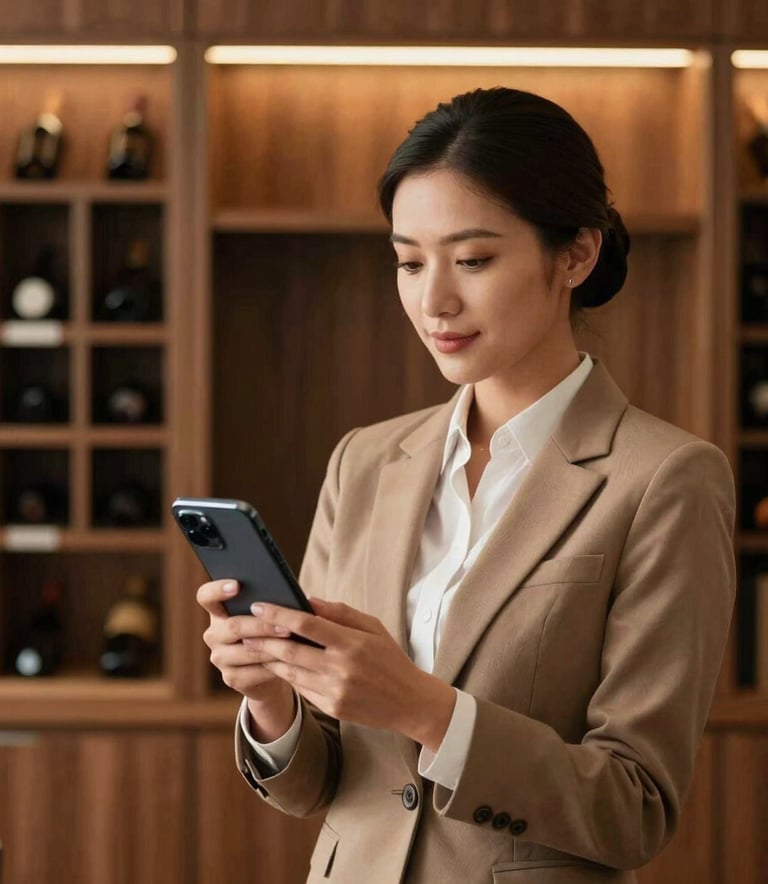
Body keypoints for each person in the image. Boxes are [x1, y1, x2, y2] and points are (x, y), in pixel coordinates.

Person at [197, 87, 736, 883]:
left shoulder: (666, 479)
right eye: (410, 262)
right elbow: (321, 784)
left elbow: (635, 808)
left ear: (575, 256)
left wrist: (424, 708)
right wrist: (270, 697)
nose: (434, 301)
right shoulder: (364, 461)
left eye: (473, 260)